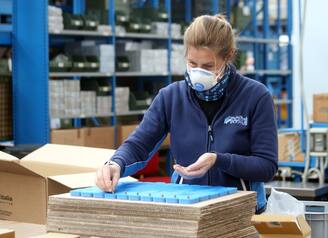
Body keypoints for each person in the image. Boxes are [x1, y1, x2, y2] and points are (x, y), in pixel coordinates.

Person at [95, 14, 278, 213]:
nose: (199, 72)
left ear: (228, 56)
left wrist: (218, 159)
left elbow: (266, 166)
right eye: (192, 63)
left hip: (241, 211)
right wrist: (115, 164)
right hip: (188, 208)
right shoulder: (171, 97)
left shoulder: (255, 96)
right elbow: (139, 144)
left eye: (208, 66)